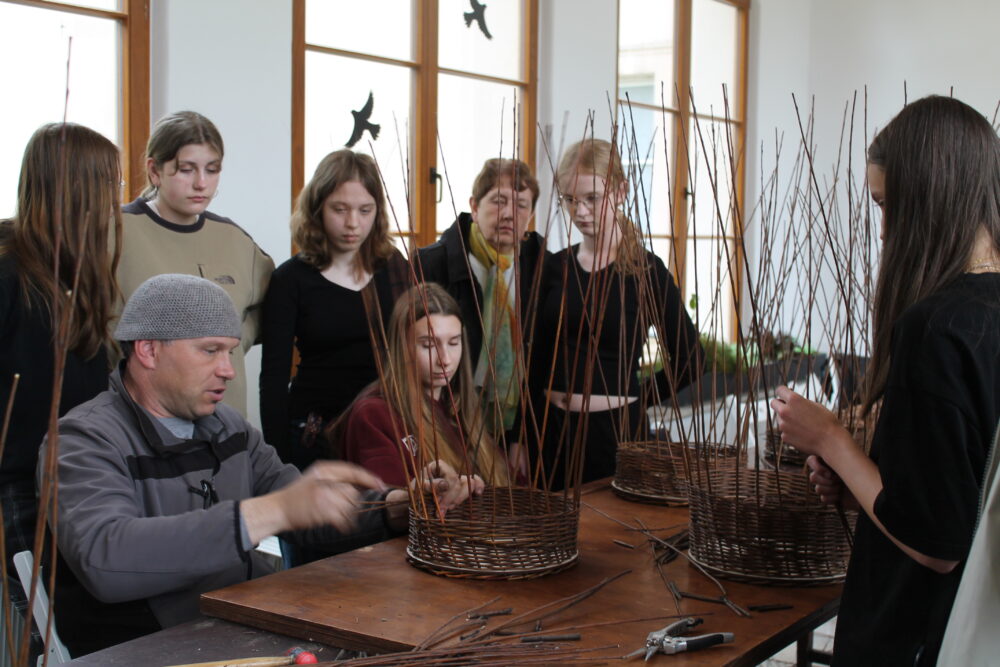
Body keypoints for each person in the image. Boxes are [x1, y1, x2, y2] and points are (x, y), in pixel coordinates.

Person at [45, 274, 475, 656]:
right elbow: (105, 557)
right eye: (210, 351)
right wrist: (268, 512)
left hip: (246, 623)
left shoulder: (227, 427)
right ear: (149, 350)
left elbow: (306, 507)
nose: (228, 370)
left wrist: (398, 505)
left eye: (231, 352)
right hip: (154, 647)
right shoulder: (83, 439)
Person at [770, 96, 1000, 665]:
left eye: (885, 204)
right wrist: (863, 484)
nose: (882, 230)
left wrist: (830, 439)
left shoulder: (936, 328)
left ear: (926, 199)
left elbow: (937, 543)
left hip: (914, 635)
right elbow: (964, 497)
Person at [0, 123, 122, 613]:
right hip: (17, 486)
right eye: (109, 184)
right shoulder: (9, 269)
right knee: (39, 629)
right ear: (78, 187)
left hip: (74, 475)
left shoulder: (76, 270)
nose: (116, 200)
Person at [539, 138, 702, 490]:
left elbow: (692, 358)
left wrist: (637, 397)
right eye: (570, 200)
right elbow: (535, 359)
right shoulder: (554, 267)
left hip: (615, 435)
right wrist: (522, 438)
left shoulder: (646, 271)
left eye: (592, 198)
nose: (580, 211)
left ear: (621, 191)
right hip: (551, 433)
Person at [260, 149, 409, 470]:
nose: (353, 223)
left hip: (384, 428)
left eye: (365, 210)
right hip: (314, 432)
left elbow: (416, 350)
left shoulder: (395, 268)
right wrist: (277, 462)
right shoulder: (290, 279)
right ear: (317, 208)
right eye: (339, 209)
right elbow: (273, 379)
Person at [118, 110, 274, 416]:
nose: (201, 183)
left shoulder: (235, 240)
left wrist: (236, 340)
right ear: (154, 170)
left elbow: (276, 304)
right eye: (187, 170)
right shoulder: (116, 233)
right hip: (142, 421)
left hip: (224, 420)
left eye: (212, 170)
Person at [415, 159, 548, 457]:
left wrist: (522, 437)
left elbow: (541, 359)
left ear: (531, 214)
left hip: (513, 425)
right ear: (474, 206)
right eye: (498, 201)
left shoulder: (542, 266)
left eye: (521, 205)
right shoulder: (431, 263)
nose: (509, 214)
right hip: (446, 421)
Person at [336, 283, 510, 488]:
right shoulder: (374, 414)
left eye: (454, 343)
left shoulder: (460, 408)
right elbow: (387, 499)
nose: (445, 359)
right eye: (428, 345)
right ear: (402, 347)